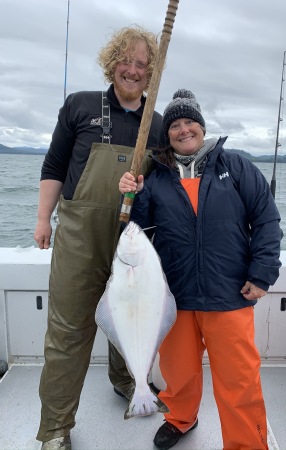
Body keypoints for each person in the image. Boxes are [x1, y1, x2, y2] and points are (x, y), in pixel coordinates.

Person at [119, 89, 282, 450]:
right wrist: (131, 196)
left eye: (190, 121)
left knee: (239, 380)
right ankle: (180, 417)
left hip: (230, 294)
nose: (183, 129)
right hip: (175, 297)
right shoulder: (155, 177)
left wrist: (262, 273)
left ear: (202, 127)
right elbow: (133, 234)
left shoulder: (237, 167)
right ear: (168, 134)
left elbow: (267, 220)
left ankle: (246, 444)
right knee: (178, 374)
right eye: (175, 124)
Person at [34, 26, 165, 450]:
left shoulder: (157, 124)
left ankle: (127, 379)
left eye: (142, 64)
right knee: (69, 328)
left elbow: (164, 188)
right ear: (112, 63)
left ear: (151, 73)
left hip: (133, 236)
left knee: (134, 313)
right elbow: (54, 165)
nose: (132, 70)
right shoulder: (80, 106)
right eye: (125, 61)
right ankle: (55, 427)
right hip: (79, 234)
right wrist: (42, 220)